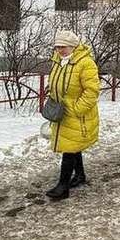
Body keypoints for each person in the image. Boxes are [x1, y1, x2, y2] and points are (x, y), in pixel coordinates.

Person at [45, 30, 100, 200]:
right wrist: (51, 89)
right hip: (62, 112)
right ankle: (80, 175)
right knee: (72, 145)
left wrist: (77, 109)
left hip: (77, 114)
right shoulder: (58, 61)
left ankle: (63, 186)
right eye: (57, 46)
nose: (60, 50)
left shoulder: (86, 63)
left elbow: (92, 91)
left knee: (69, 149)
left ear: (73, 46)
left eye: (63, 47)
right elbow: (57, 81)